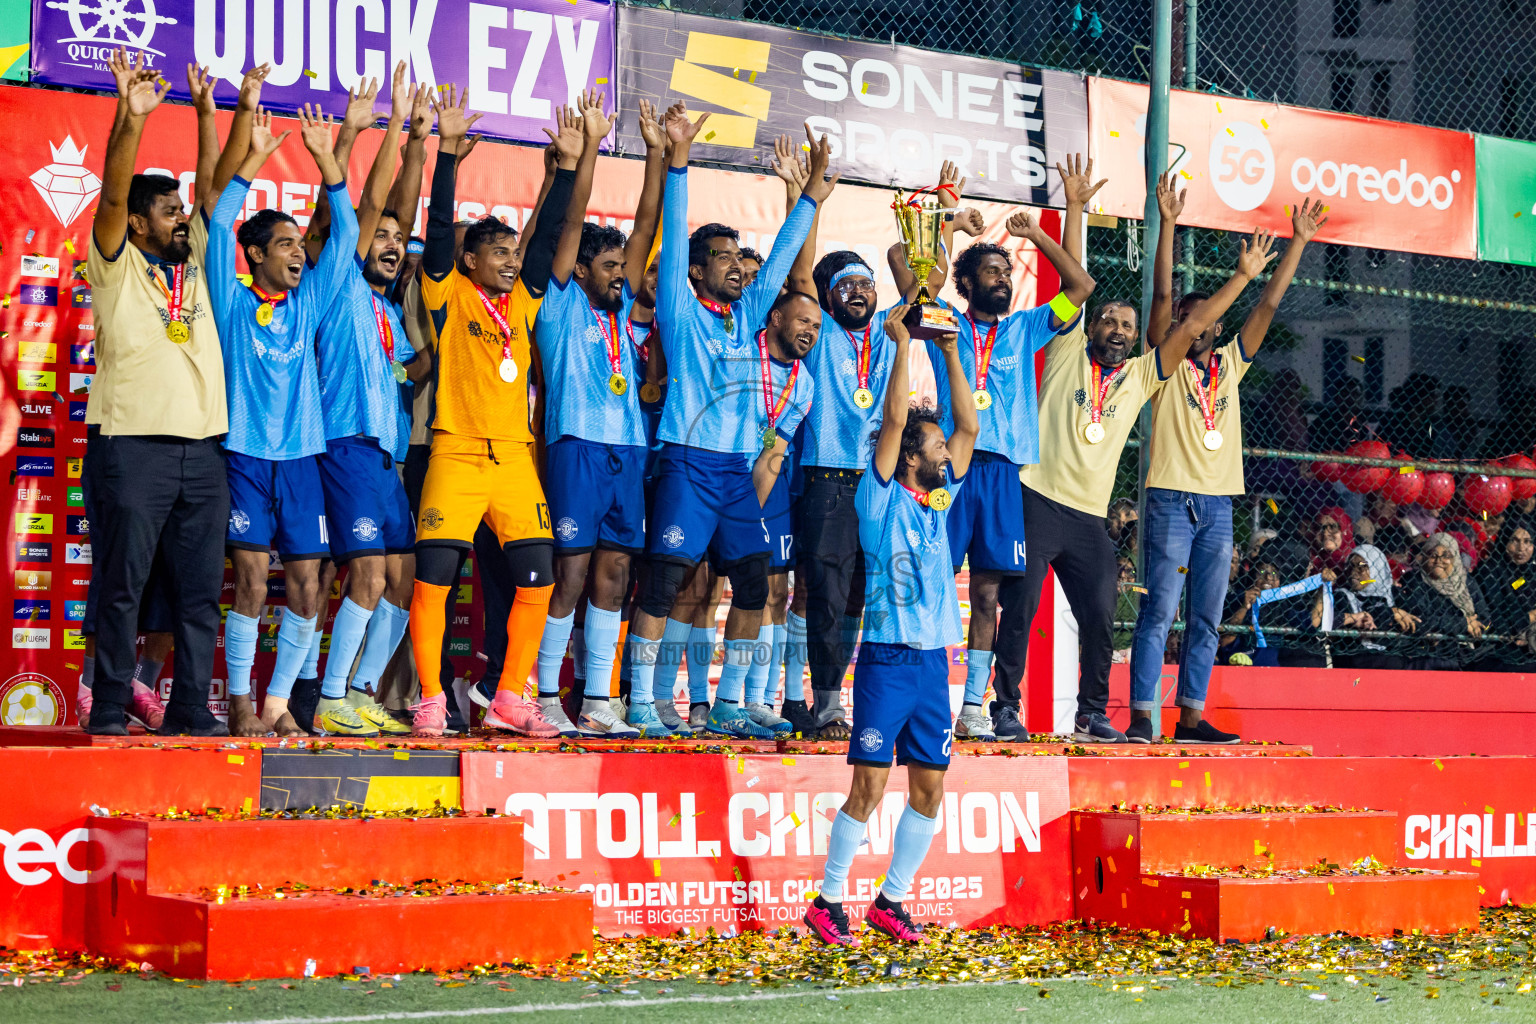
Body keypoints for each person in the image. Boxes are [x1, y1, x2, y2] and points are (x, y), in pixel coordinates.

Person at [989, 164, 1236, 743]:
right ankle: (1005, 707)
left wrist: (1242, 276)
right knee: (1019, 609)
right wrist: (1074, 208)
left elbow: (1192, 323)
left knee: (1101, 614)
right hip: (1036, 499)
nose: (1119, 329)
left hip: (1088, 518)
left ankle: (1091, 713)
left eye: (1127, 324)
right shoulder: (1067, 349)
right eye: (1109, 321)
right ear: (1092, 327)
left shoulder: (1146, 374)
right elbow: (1073, 281)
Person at [621, 111, 835, 740]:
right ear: (694, 273)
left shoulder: (747, 319)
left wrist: (809, 197)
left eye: (739, 258)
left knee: (753, 586)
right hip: (687, 462)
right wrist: (678, 161)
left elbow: (782, 260)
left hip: (736, 472)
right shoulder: (681, 312)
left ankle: (729, 704)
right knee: (664, 585)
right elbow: (672, 229)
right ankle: (642, 702)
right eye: (722, 259)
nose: (738, 267)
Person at [405, 89, 583, 736]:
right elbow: (438, 233)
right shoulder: (448, 293)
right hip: (454, 453)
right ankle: (431, 699)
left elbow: (548, 240)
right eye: (498, 253)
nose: (511, 261)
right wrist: (447, 154)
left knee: (538, 581)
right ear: (470, 261)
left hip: (512, 461)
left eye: (513, 252)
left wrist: (567, 168)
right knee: (434, 581)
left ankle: (509, 696)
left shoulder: (524, 303)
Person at [778, 148, 969, 739]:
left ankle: (832, 699)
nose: (859, 292)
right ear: (827, 296)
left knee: (860, 595)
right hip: (828, 480)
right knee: (823, 593)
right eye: (846, 286)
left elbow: (928, 288)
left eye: (866, 283)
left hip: (880, 486)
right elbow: (800, 277)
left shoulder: (891, 330)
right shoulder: (821, 333)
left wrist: (943, 216)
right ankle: (814, 703)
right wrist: (808, 197)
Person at [803, 303, 977, 946]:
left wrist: (950, 353)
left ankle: (890, 902)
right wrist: (903, 345)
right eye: (935, 448)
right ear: (908, 459)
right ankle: (827, 900)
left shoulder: (939, 498)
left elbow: (968, 426)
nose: (946, 453)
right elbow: (898, 420)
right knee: (870, 786)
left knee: (930, 789)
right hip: (887, 658)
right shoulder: (877, 497)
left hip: (934, 663)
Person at [1126, 193, 1315, 746]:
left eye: (1202, 318)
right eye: (1185, 320)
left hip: (1219, 505)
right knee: (1160, 611)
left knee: (1207, 617)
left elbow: (1268, 305)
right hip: (1170, 499)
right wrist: (1167, 222)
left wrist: (1299, 242)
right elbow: (1163, 296)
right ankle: (1141, 717)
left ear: (1216, 325)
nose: (1193, 324)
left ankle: (1189, 719)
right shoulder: (1162, 366)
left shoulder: (1231, 364)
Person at [206, 103, 358, 737]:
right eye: (287, 245)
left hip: (300, 461)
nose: (300, 253)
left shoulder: (310, 301)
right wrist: (256, 159)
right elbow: (218, 222)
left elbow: (346, 236)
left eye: (300, 243)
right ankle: (240, 701)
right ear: (256, 254)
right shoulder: (231, 299)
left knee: (307, 585)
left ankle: (277, 703)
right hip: (243, 453)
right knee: (247, 580)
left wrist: (327, 162)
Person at [935, 182, 1097, 743]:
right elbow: (917, 281)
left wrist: (1039, 240)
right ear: (967, 282)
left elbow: (1081, 287)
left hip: (1004, 474)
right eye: (992, 271)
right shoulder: (944, 322)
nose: (1003, 279)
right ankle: (924, 697)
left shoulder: (1025, 327)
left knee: (987, 594)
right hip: (951, 468)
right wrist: (950, 223)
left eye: (1007, 272)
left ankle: (973, 709)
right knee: (931, 580)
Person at [532, 95, 665, 738]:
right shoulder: (559, 303)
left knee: (614, 574)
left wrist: (660, 154)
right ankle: (543, 693)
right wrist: (587, 149)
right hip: (575, 446)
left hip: (626, 452)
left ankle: (597, 699)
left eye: (622, 267)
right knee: (572, 573)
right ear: (580, 268)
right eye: (609, 267)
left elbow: (644, 226)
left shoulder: (623, 318)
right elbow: (571, 219)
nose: (621, 275)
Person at [307, 67, 432, 736]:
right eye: (378, 237)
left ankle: (359, 690)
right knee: (371, 575)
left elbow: (402, 213)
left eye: (396, 241)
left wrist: (420, 140)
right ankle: (329, 696)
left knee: (403, 580)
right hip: (346, 444)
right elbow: (381, 201)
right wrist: (394, 128)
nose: (391, 245)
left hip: (385, 457)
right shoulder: (340, 285)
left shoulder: (386, 308)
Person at [732, 291, 819, 735]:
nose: (810, 332)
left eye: (816, 326)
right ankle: (694, 700)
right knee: (697, 589)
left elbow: (776, 450)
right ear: (776, 318)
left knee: (773, 591)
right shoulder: (742, 350)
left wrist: (749, 512)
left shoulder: (803, 381)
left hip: (771, 484)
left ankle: (760, 699)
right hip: (718, 472)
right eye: (804, 322)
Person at [1396, 532, 1488, 670]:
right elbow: (1423, 620)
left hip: (1469, 652)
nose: (1439, 560)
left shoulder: (1467, 582)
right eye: (1433, 555)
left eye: (1446, 556)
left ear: (1455, 558)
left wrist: (1474, 627)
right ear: (1424, 557)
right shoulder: (1414, 581)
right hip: (1431, 652)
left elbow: (1484, 617)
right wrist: (1464, 624)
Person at [1472, 522, 1536, 670]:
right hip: (1495, 649)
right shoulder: (1489, 570)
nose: (1521, 548)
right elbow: (1496, 613)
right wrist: (1530, 617)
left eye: (1527, 541)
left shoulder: (1531, 572)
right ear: (1503, 541)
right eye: (1514, 540)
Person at [1332, 543, 1404, 670]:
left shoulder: (1392, 593)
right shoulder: (1342, 596)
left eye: (1361, 567)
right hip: (1355, 659)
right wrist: (1392, 614)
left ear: (1376, 568)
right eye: (1350, 566)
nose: (1353, 572)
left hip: (1391, 656)